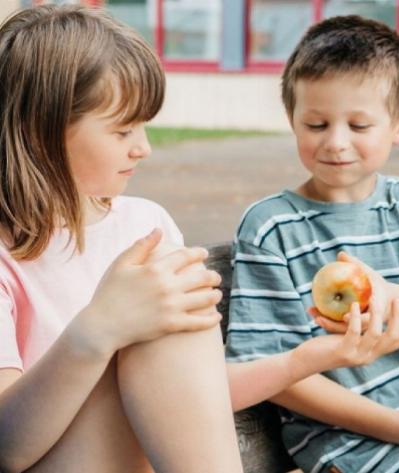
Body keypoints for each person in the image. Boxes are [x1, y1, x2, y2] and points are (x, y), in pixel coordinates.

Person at [0, 5, 243, 471]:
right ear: (40, 134)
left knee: (163, 311)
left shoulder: (145, 226)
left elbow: (188, 397)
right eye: (122, 129)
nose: (144, 147)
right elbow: (7, 450)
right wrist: (99, 328)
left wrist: (306, 361)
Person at [224, 15, 399, 473]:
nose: (336, 143)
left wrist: (389, 296)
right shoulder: (272, 227)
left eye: (359, 125)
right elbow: (272, 372)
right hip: (358, 449)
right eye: (316, 124)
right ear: (292, 118)